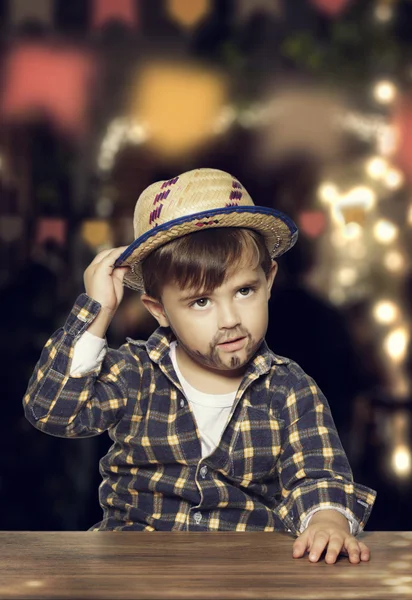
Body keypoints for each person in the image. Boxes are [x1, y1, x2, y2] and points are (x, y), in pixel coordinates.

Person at [23, 168, 376, 564]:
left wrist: (327, 520)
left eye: (244, 291)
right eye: (200, 302)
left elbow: (319, 475)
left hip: (246, 572)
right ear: (159, 310)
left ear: (269, 280)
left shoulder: (291, 389)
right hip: (133, 570)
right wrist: (98, 312)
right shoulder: (134, 373)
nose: (229, 318)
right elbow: (51, 410)